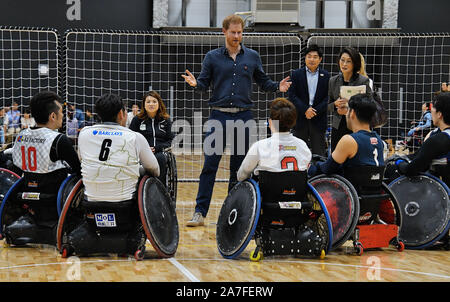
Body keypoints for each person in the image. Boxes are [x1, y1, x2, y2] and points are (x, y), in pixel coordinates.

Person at [181, 14, 291, 227]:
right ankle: (200, 213)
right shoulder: (212, 57)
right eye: (233, 32)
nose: (237, 36)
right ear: (224, 32)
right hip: (218, 117)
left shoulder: (252, 56)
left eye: (240, 32)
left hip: (244, 116)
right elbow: (203, 84)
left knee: (239, 169)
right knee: (209, 166)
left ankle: (232, 212)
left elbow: (263, 81)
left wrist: (278, 86)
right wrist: (196, 84)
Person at [4, 91, 81, 245]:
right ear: (53, 116)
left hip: (27, 193)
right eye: (60, 112)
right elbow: (78, 169)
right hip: (54, 196)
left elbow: (15, 164)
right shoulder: (58, 139)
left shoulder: (21, 135)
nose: (62, 116)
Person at [78, 93, 159, 202]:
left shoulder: (84, 133)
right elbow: (155, 170)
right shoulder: (134, 137)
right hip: (125, 200)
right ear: (121, 114)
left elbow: (81, 160)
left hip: (90, 199)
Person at [309, 93, 384, 177]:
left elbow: (327, 168)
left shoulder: (349, 140)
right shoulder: (379, 140)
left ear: (352, 113)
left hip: (352, 188)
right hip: (374, 188)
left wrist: (312, 166)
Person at [237, 97, 311, 181]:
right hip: (296, 192)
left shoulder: (259, 146)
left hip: (267, 193)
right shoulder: (302, 145)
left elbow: (241, 176)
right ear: (293, 122)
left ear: (270, 122)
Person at [395, 92, 450, 186]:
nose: (431, 110)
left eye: (433, 107)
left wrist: (398, 161)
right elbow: (418, 155)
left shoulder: (437, 139)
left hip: (442, 193)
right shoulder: (436, 134)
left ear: (439, 114)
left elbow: (411, 170)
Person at [328, 47, 373, 153]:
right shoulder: (332, 81)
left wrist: (349, 108)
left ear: (355, 64)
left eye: (348, 61)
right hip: (338, 126)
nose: (344, 64)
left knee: (356, 156)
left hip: (357, 125)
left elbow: (370, 105)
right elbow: (326, 105)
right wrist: (335, 104)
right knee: (337, 157)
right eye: (342, 60)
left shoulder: (363, 80)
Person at [288, 43, 329, 156]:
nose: (312, 59)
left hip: (318, 120)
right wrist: (306, 109)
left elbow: (328, 98)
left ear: (320, 59)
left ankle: (319, 174)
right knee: (297, 153)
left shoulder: (326, 76)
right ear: (305, 58)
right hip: (300, 119)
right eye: (309, 56)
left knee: (319, 153)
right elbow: (292, 95)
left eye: (315, 57)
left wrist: (314, 111)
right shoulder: (296, 74)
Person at [129, 91, 174, 185]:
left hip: (159, 151)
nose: (151, 104)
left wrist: (156, 148)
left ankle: (160, 189)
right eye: (148, 102)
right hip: (141, 153)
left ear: (159, 104)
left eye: (154, 101)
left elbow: (169, 141)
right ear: (144, 105)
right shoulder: (137, 120)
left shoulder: (165, 120)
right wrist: (144, 149)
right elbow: (131, 139)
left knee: (160, 158)